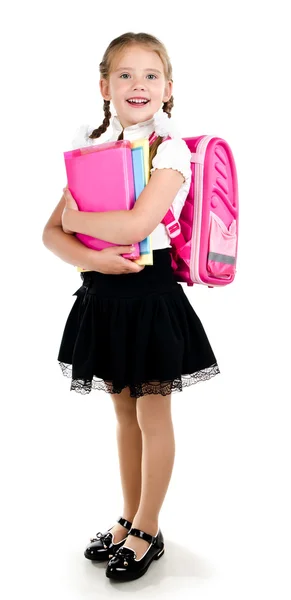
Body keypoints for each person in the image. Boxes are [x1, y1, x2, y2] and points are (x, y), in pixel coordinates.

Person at [42, 31, 220, 582]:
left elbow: (138, 225)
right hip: (104, 296)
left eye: (150, 75)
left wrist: (77, 224)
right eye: (124, 75)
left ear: (168, 89)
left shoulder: (170, 151)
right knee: (122, 413)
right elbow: (50, 235)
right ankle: (128, 516)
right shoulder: (93, 151)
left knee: (152, 413)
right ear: (104, 86)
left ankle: (148, 526)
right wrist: (87, 253)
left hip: (150, 297)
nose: (137, 84)